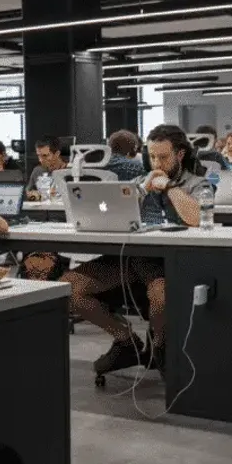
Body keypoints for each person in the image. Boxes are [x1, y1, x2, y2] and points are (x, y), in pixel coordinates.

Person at [62, 125, 206, 375]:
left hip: (169, 261)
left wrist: (170, 187)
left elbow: (197, 218)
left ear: (180, 154)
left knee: (161, 294)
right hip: (131, 258)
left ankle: (160, 347)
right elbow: (117, 214)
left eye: (163, 156)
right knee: (69, 286)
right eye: (152, 156)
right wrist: (140, 191)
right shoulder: (140, 182)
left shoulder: (197, 183)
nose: (156, 162)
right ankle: (126, 340)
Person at [26, 136, 66, 200]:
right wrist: (32, 195)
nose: (40, 160)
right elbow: (28, 193)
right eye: (38, 155)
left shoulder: (71, 172)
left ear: (57, 154)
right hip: (44, 208)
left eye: (45, 155)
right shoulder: (37, 171)